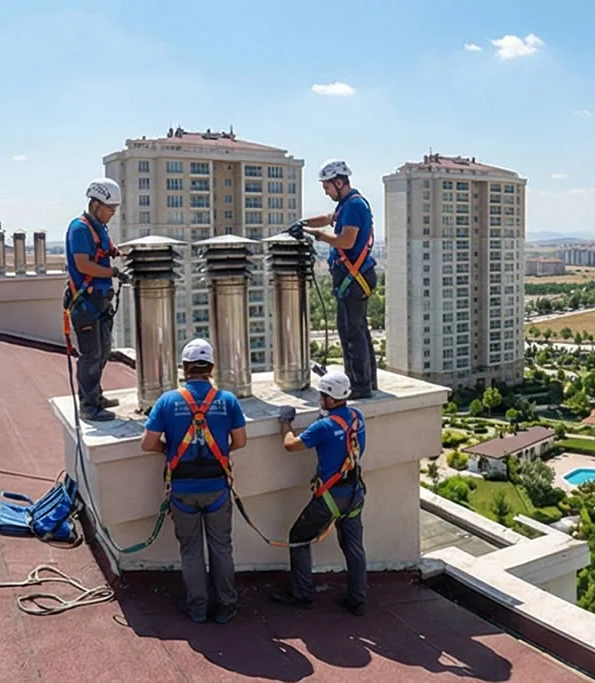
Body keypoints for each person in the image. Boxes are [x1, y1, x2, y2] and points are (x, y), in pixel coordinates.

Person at [140, 338, 248, 624]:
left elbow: (148, 444)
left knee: (190, 550)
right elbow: (240, 441)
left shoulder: (167, 401)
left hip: (182, 489)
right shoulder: (227, 401)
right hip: (217, 488)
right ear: (211, 368)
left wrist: (170, 449)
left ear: (185, 368)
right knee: (221, 547)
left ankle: (198, 608)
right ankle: (225, 606)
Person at [270, 368, 368, 616]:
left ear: (330, 399)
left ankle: (302, 594)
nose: (319, 400)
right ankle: (357, 599)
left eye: (322, 396)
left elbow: (290, 445)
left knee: (299, 537)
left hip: (330, 496)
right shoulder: (358, 417)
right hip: (354, 492)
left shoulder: (323, 427)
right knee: (353, 547)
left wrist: (285, 423)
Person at [291, 160, 377, 399]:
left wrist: (316, 235)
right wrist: (304, 224)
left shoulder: (354, 205)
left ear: (339, 182)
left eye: (327, 186)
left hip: (354, 277)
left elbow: (346, 241)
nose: (325, 191)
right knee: (357, 329)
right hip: (354, 277)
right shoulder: (346, 205)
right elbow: (329, 217)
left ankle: (360, 385)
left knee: (352, 332)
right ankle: (368, 381)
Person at [65, 177, 130, 421]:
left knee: (103, 352)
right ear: (95, 204)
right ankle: (88, 406)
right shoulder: (80, 228)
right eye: (109, 210)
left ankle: (96, 395)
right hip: (86, 302)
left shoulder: (99, 228)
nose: (111, 215)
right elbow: (84, 265)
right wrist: (113, 272)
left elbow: (105, 249)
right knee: (90, 354)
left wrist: (117, 252)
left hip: (100, 301)